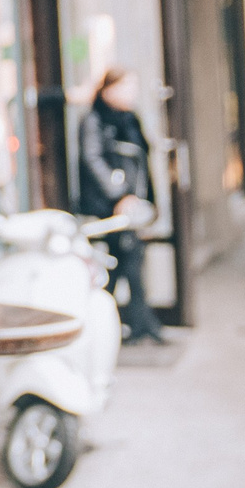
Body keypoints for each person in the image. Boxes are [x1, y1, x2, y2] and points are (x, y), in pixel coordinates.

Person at [76, 67, 164, 346]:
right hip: (111, 208)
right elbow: (93, 160)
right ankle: (128, 325)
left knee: (127, 263)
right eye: (126, 86)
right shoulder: (95, 120)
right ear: (108, 90)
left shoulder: (130, 120)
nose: (132, 93)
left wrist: (145, 203)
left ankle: (130, 325)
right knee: (122, 264)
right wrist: (119, 196)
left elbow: (141, 162)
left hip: (132, 205)